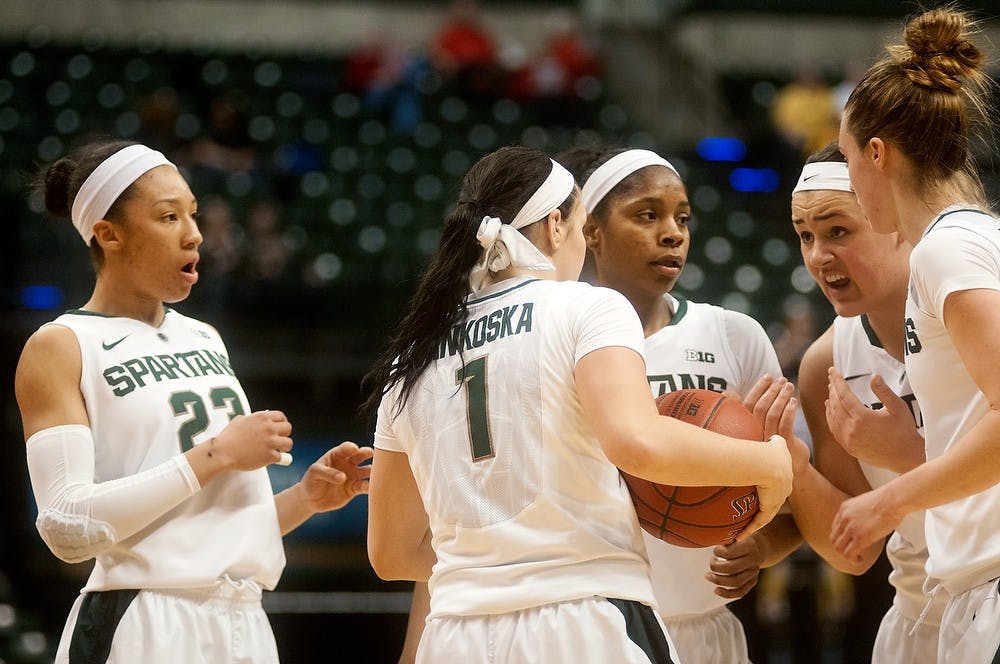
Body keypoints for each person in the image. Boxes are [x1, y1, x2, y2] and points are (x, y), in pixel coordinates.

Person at [363, 145, 793, 664]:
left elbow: (390, 554)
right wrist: (770, 464)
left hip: (455, 634)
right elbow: (638, 442)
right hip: (582, 621)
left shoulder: (414, 353)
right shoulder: (587, 306)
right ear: (556, 225)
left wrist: (498, 562)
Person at [14, 139, 374, 663]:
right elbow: (67, 527)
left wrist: (306, 499)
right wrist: (218, 455)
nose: (194, 234)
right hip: (140, 621)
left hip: (243, 620)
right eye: (168, 217)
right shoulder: (62, 344)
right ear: (108, 234)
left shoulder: (204, 336)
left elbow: (203, 530)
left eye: (193, 214)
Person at [555, 145, 803, 663]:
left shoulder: (735, 335)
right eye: (647, 215)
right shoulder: (557, 339)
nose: (673, 233)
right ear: (591, 233)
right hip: (593, 628)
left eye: (682, 218)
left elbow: (796, 497)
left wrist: (762, 548)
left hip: (707, 628)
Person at [828, 7, 1000, 663]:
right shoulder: (976, 239)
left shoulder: (946, 251)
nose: (850, 181)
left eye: (847, 161)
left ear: (878, 154)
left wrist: (887, 501)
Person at [783, 143, 944, 662]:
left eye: (838, 231)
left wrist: (908, 457)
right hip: (917, 607)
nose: (817, 256)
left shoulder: (974, 308)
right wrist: (792, 464)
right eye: (805, 235)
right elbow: (854, 551)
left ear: (890, 214)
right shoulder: (824, 364)